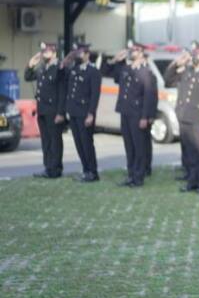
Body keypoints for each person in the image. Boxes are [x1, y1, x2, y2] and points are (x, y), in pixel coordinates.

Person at [164, 42, 199, 193]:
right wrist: (176, 64)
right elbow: (168, 80)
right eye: (194, 53)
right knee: (188, 152)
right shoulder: (187, 71)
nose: (196, 56)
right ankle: (191, 181)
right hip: (185, 117)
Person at [101, 42, 157, 188]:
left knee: (139, 147)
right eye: (131, 50)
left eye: (136, 50)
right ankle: (131, 174)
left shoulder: (146, 72)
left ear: (142, 53)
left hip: (137, 114)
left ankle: (138, 177)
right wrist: (114, 60)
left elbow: (148, 96)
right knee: (129, 146)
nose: (132, 52)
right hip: (125, 112)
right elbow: (105, 72)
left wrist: (145, 117)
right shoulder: (125, 68)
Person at [24, 42, 66, 179]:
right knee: (46, 141)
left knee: (55, 141)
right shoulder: (43, 68)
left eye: (46, 51)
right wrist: (31, 64)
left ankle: (56, 169)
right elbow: (28, 77)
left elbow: (62, 92)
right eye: (43, 51)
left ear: (54, 52)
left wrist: (61, 112)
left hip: (53, 110)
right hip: (42, 109)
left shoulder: (59, 68)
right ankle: (48, 167)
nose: (43, 54)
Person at [62, 42, 101, 182]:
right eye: (76, 53)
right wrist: (69, 57)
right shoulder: (74, 69)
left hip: (85, 113)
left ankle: (93, 172)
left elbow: (95, 95)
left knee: (86, 143)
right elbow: (62, 70)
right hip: (73, 112)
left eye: (80, 53)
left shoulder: (93, 71)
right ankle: (86, 170)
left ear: (87, 54)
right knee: (78, 144)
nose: (77, 55)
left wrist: (91, 113)